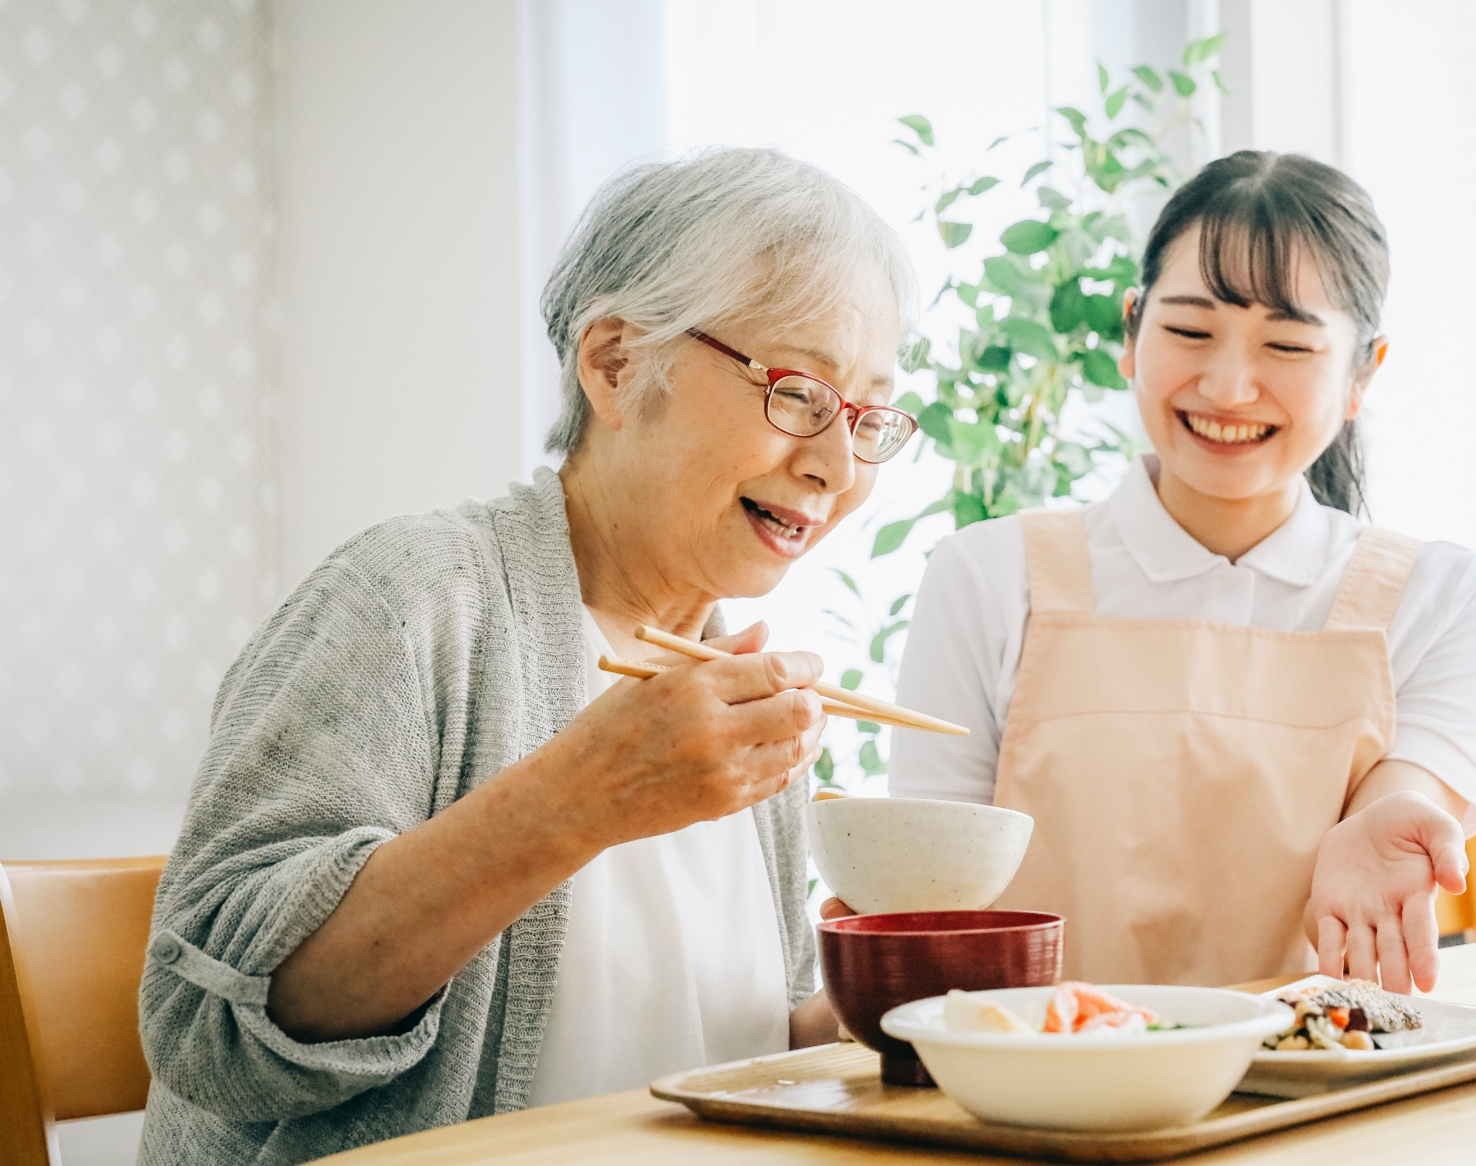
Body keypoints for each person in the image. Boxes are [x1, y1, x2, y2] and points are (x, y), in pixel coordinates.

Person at [138, 148, 919, 1163]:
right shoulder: (409, 597)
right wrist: (580, 798)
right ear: (614, 362)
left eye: (867, 417)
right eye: (800, 393)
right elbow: (212, 1028)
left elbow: (721, 1044)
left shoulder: (735, 680)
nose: (836, 463)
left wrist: (879, 1000)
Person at [888, 151, 1476, 996]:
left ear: (1364, 372)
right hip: (1036, 1089)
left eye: (1286, 344)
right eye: (1188, 330)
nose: (1228, 385)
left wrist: (1388, 822)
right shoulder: (986, 577)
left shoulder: (1442, 594)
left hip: (1314, 1088)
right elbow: (933, 898)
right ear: (1131, 333)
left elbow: (1408, 789)